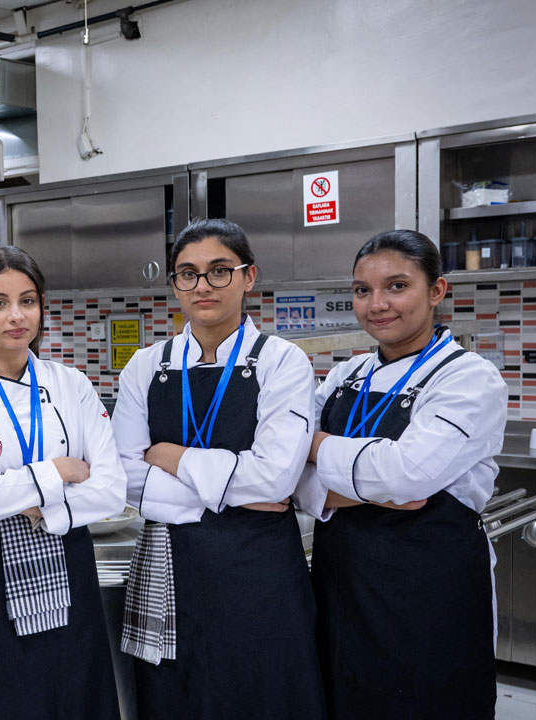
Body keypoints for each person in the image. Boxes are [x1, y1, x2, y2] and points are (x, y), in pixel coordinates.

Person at [111, 218, 325, 718]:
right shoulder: (147, 365)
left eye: (219, 271)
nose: (202, 285)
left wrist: (170, 456)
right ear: (174, 285)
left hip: (261, 573)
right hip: (169, 569)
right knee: (176, 700)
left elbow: (275, 477)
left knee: (264, 695)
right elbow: (124, 473)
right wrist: (234, 488)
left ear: (249, 277)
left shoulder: (282, 362)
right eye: (187, 274)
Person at [295, 229, 505, 719]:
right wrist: (372, 487)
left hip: (429, 595)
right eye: (362, 290)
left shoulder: (467, 377)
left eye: (396, 286)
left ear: (436, 291)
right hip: (342, 586)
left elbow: (405, 476)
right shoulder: (346, 375)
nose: (376, 304)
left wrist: (314, 448)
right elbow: (285, 473)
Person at [0, 246, 127, 720]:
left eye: (28, 300)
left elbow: (111, 489)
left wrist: (20, 495)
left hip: (69, 571)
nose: (16, 316)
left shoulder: (71, 384)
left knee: (76, 700)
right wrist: (59, 471)